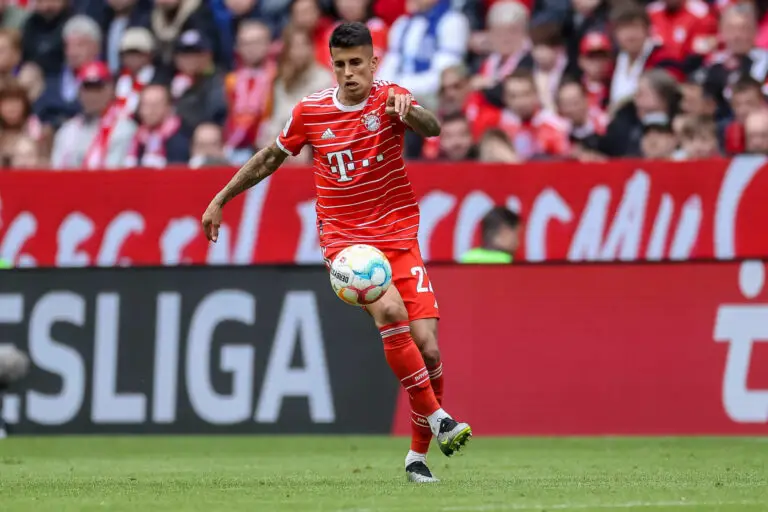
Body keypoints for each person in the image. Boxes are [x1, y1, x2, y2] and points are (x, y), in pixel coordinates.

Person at [201, 22, 471, 484]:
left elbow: (432, 129)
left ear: (373, 63)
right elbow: (269, 157)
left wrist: (411, 111)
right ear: (332, 65)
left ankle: (417, 457)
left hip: (399, 236)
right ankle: (441, 419)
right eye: (341, 64)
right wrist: (220, 198)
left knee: (428, 348)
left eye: (357, 64)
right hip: (347, 244)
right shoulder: (310, 111)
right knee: (390, 310)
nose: (349, 73)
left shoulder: (392, 98)